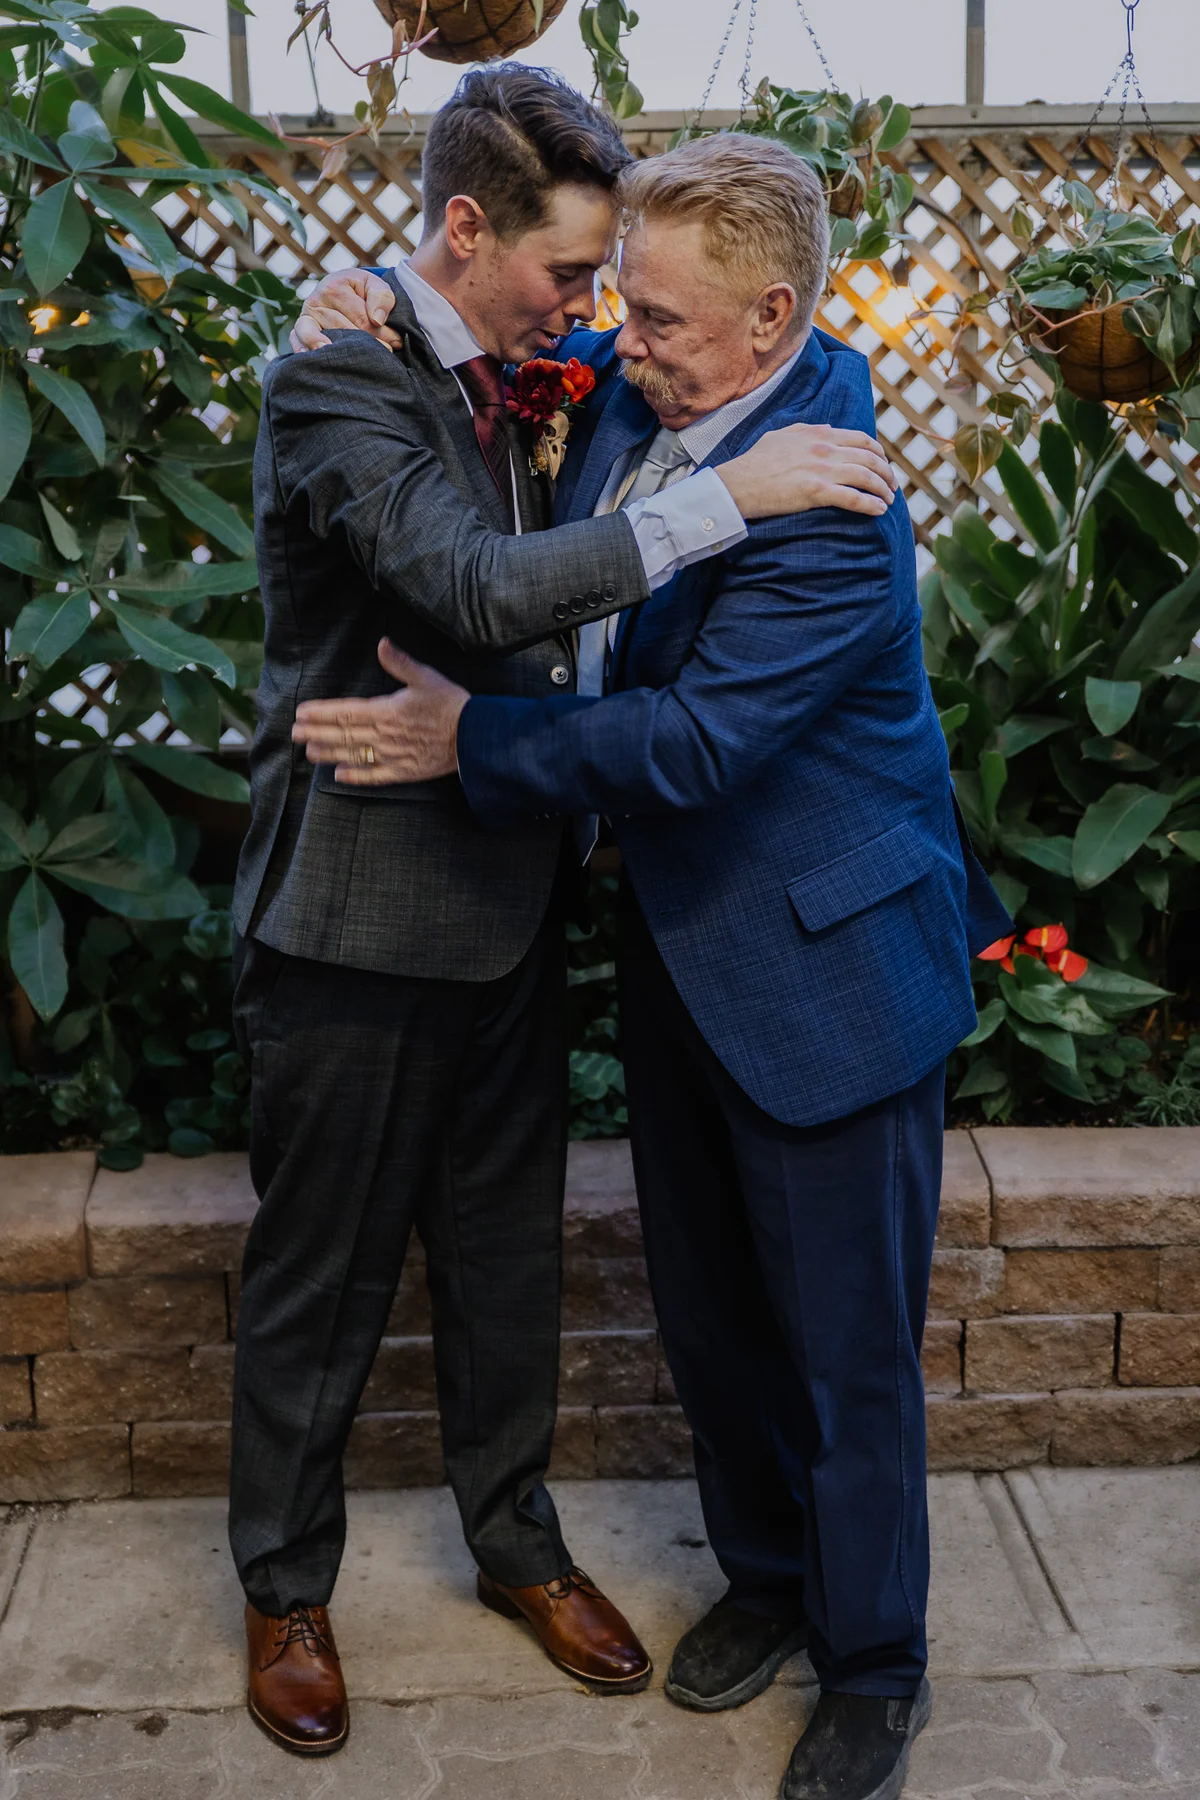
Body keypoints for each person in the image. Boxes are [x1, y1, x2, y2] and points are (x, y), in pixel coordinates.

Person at [292, 132, 1013, 1800]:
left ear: (772, 321)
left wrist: (472, 738)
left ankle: (875, 1663)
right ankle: (766, 1583)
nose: (627, 339)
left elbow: (691, 743)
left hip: (828, 976)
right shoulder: (647, 391)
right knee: (712, 1322)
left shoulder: (834, 497)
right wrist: (356, 312)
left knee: (843, 1352)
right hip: (692, 960)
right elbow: (494, 351)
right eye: (621, 303)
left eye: (667, 318)